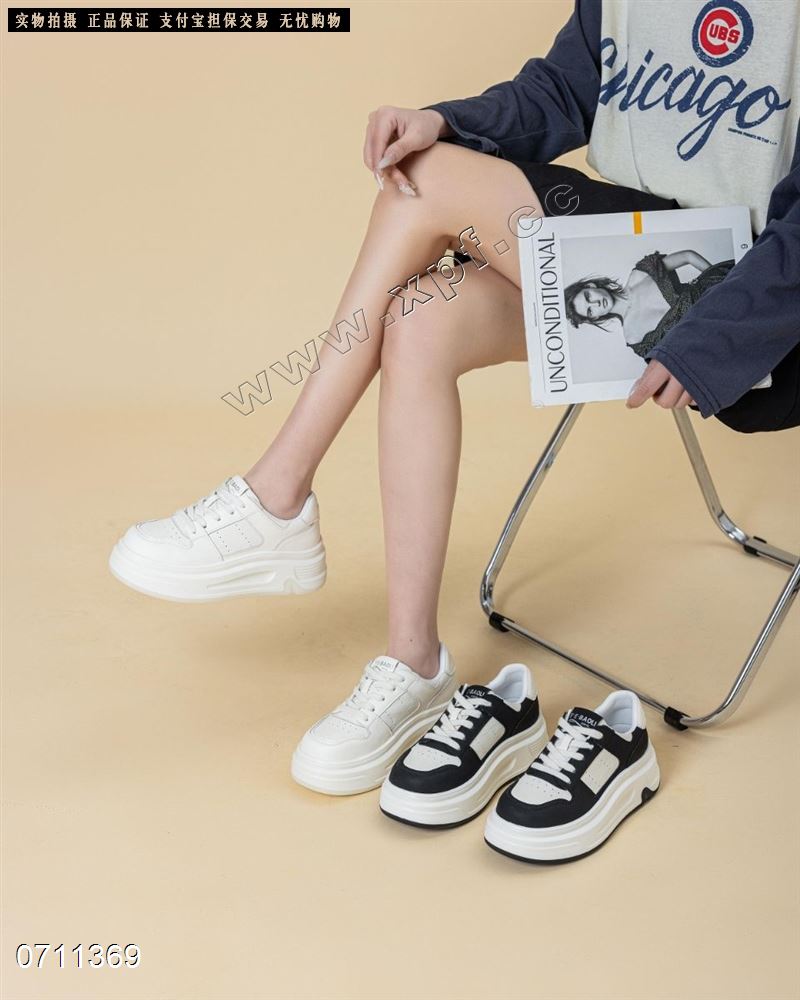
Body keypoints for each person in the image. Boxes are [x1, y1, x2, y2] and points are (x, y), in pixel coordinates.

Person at [109, 0, 800, 796]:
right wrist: (444, 120)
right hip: (641, 257)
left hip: (759, 313)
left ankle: (277, 496)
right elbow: (564, 92)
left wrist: (716, 341)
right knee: (419, 319)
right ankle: (414, 664)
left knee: (429, 181)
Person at [564, 249, 735, 358]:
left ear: (591, 286)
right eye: (590, 311)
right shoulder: (635, 338)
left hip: (727, 289)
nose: (595, 304)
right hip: (722, 333)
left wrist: (723, 282)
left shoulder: (641, 274)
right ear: (594, 318)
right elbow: (685, 356)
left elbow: (687, 256)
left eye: (588, 297)